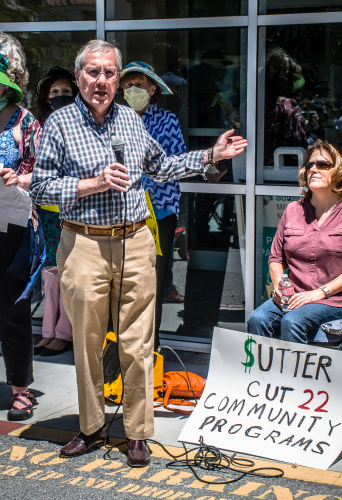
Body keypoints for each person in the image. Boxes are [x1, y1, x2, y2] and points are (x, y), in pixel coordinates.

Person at [29, 39, 247, 467]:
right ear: (79, 78)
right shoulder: (59, 126)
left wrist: (210, 156)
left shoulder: (130, 118)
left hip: (135, 240)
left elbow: (161, 166)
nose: (103, 81)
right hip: (84, 242)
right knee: (89, 343)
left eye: (110, 73)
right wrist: (91, 183)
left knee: (138, 342)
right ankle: (91, 427)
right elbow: (40, 187)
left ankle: (137, 433)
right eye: (94, 72)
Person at [248, 142, 342, 344]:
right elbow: (275, 257)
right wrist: (278, 288)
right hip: (297, 296)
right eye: (310, 165)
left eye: (323, 164)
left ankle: (294, 376)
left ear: (341, 171)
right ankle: (262, 375)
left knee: (293, 321)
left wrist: (319, 293)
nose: (314, 169)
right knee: (258, 318)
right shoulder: (293, 210)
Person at [0, 32, 43, 420]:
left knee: (12, 311)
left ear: (5, 83)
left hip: (10, 231)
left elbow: (46, 174)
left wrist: (19, 179)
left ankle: (21, 388)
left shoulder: (25, 121)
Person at [120, 60, 185, 349]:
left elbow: (176, 163)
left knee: (154, 282)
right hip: (119, 213)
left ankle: (151, 347)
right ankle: (122, 350)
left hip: (158, 212)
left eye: (139, 86)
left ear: (152, 90)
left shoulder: (166, 120)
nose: (133, 91)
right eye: (127, 86)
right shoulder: (114, 118)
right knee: (123, 283)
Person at [33, 67, 78, 356]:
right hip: (47, 210)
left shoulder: (81, 124)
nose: (61, 96)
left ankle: (66, 332)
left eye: (66, 91)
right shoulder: (38, 126)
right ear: (47, 99)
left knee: (71, 270)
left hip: (74, 207)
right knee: (50, 269)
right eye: (55, 93)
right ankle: (48, 330)